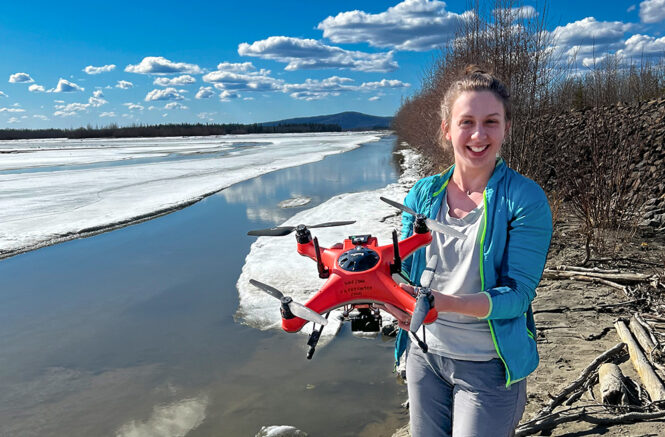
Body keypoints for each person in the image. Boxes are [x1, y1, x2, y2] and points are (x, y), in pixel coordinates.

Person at [383, 65, 552, 436]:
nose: (478, 134)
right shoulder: (422, 195)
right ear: (447, 129)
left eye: (491, 121)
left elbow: (517, 297)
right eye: (466, 122)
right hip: (423, 356)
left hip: (487, 365)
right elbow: (407, 274)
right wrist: (393, 300)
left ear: (506, 127)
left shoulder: (524, 198)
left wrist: (447, 303)